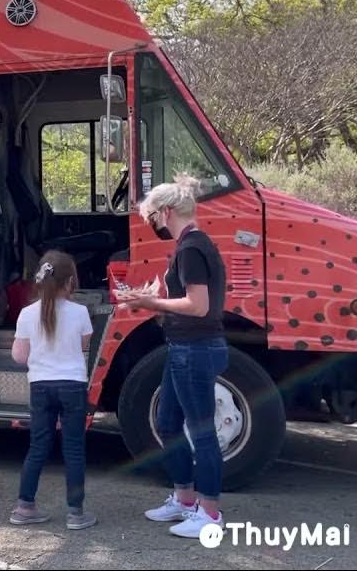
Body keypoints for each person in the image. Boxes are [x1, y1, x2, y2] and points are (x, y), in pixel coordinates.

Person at [117, 174, 228, 539]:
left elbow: (198, 305)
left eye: (151, 217)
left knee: (201, 431)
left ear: (166, 212)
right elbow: (190, 304)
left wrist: (149, 301)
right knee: (167, 423)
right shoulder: (191, 245)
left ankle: (209, 513)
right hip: (184, 347)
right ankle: (184, 499)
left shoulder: (191, 248)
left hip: (194, 349)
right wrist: (153, 299)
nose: (151, 224)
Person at [9, 251, 97, 531]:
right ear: (70, 281)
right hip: (72, 385)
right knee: (73, 449)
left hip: (40, 386)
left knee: (38, 446)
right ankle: (75, 513)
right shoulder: (81, 312)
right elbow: (84, 346)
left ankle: (25, 506)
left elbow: (20, 357)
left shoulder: (26, 314)